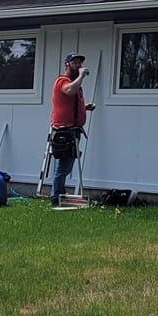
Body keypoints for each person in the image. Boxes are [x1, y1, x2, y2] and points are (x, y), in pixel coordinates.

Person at [49, 52, 96, 204]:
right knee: (63, 166)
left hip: (73, 129)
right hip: (64, 131)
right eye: (75, 63)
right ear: (67, 64)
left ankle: (60, 194)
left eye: (80, 63)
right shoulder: (62, 81)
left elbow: (71, 100)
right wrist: (81, 76)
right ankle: (56, 197)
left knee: (66, 166)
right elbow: (69, 90)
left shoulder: (74, 83)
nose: (79, 66)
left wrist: (85, 107)